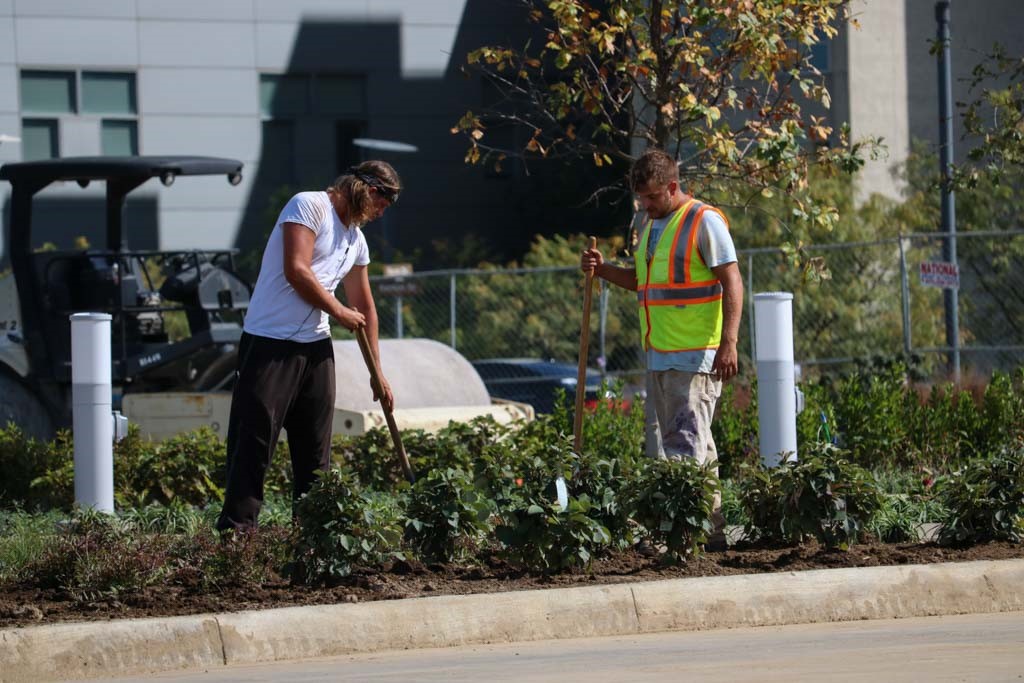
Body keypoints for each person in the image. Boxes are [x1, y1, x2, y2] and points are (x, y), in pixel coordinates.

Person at [217, 161, 401, 531]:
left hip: (316, 348)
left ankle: (313, 539)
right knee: (254, 444)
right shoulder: (309, 206)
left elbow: (364, 307)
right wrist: (337, 311)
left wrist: (377, 373)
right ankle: (236, 538)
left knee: (316, 452)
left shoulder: (356, 240)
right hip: (270, 342)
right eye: (384, 200)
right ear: (365, 187)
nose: (383, 211)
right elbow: (297, 270)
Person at [581, 148, 743, 549]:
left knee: (683, 445)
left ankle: (682, 535)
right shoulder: (651, 223)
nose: (646, 205)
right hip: (659, 351)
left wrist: (730, 343)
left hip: (695, 352)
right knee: (695, 444)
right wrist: (603, 270)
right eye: (641, 199)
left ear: (672, 186)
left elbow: (733, 281)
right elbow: (643, 282)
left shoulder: (703, 221)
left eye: (653, 197)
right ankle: (711, 531)